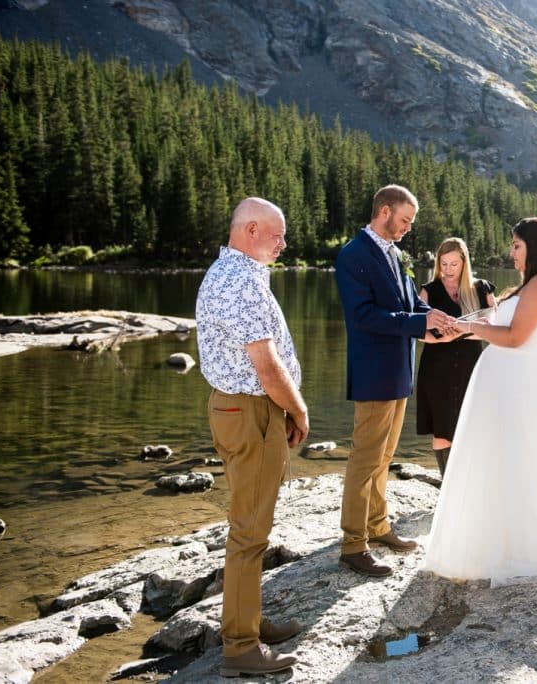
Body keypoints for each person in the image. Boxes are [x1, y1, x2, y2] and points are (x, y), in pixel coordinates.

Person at [424, 217, 537, 584]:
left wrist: (467, 327)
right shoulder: (530, 285)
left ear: (535, 247)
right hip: (508, 388)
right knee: (503, 463)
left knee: (526, 464)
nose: (511, 252)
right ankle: (496, 540)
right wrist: (460, 327)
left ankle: (529, 547)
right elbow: (500, 326)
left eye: (517, 245)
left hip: (525, 390)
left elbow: (516, 337)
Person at [195, 197, 307, 677]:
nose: (284, 243)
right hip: (251, 412)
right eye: (278, 234)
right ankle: (240, 646)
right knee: (249, 532)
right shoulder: (239, 280)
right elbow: (265, 366)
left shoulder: (232, 273)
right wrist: (298, 408)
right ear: (252, 230)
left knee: (250, 520)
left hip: (241, 409)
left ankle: (250, 621)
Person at [335, 184, 458, 578]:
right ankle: (353, 544)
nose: (407, 228)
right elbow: (364, 316)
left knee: (385, 456)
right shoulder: (353, 255)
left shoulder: (395, 253)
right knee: (365, 458)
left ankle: (379, 526)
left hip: (398, 372)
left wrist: (434, 317)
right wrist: (418, 324)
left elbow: (409, 304)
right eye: (405, 220)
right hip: (373, 373)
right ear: (384, 212)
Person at [416, 237, 496, 476]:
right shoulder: (428, 291)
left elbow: (497, 328)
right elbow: (418, 331)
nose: (448, 270)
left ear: (464, 263)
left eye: (454, 264)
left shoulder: (482, 289)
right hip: (436, 369)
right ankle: (446, 487)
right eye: (444, 264)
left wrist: (465, 330)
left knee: (469, 425)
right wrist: (444, 338)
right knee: (441, 430)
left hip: (472, 368)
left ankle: (465, 484)